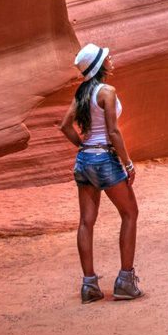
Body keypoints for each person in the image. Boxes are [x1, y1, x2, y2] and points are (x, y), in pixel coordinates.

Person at [59, 42, 142, 303]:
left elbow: (65, 126)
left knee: (87, 221)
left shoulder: (82, 93)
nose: (110, 60)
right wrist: (127, 163)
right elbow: (113, 132)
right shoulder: (107, 92)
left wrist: (83, 146)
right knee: (130, 214)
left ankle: (89, 285)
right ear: (99, 66)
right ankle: (125, 281)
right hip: (105, 159)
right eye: (106, 58)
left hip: (84, 160)